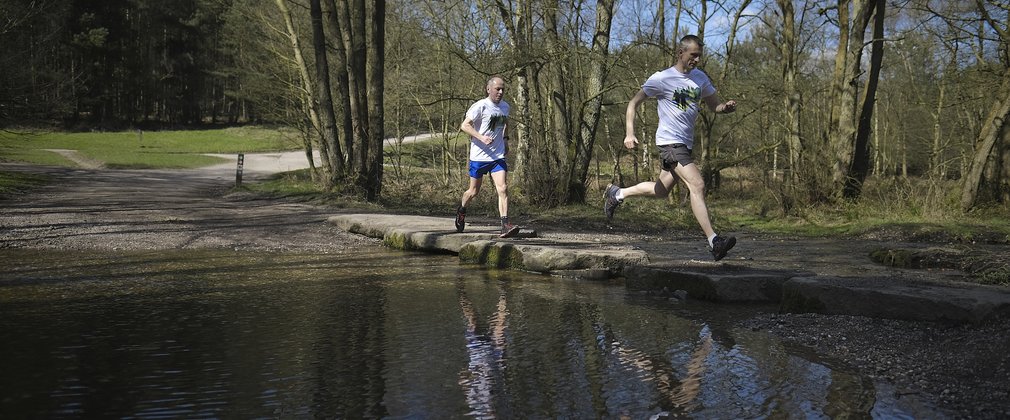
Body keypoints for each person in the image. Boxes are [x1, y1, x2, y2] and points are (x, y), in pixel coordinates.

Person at [604, 35, 738, 261]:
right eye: (692, 55)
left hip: (684, 143)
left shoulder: (700, 78)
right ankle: (714, 241)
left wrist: (725, 108)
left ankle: (618, 193)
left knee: (661, 190)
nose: (696, 59)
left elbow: (714, 105)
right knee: (697, 183)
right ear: (680, 53)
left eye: (699, 56)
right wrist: (629, 132)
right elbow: (633, 103)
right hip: (670, 142)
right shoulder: (662, 78)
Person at [455, 76, 520, 238]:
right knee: (473, 192)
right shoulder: (480, 106)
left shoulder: (505, 107)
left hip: (497, 156)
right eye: (497, 89)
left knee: (503, 188)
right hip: (479, 156)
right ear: (488, 89)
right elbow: (464, 125)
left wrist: (505, 141)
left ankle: (505, 225)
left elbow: (504, 123)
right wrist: (481, 137)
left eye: (503, 89)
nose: (500, 92)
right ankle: (462, 210)